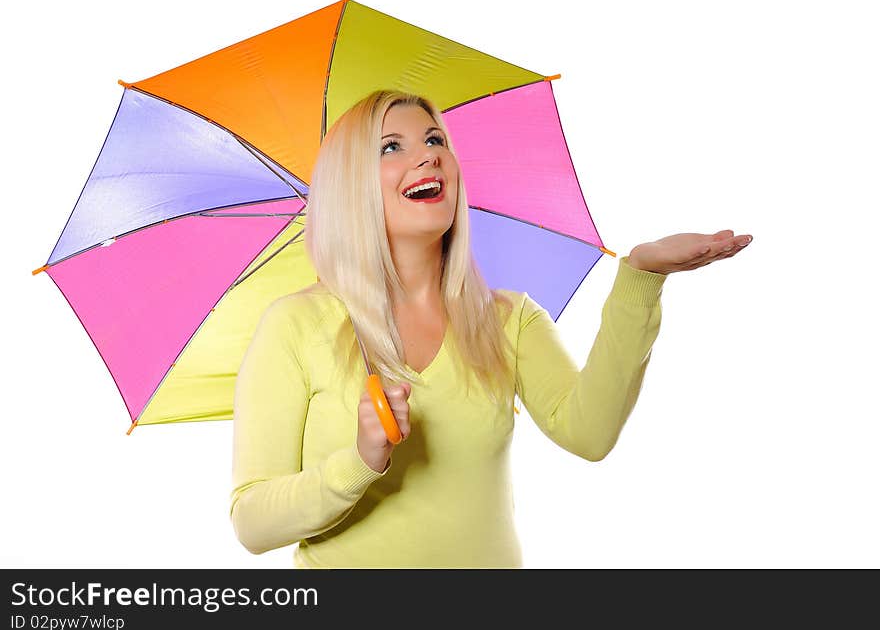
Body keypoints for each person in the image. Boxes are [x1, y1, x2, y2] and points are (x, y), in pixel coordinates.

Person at [229, 89, 752, 568]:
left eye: (435, 139)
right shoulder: (295, 327)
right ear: (350, 188)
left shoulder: (507, 320)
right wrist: (361, 462)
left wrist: (642, 276)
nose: (429, 154)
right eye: (391, 147)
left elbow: (589, 433)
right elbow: (252, 522)